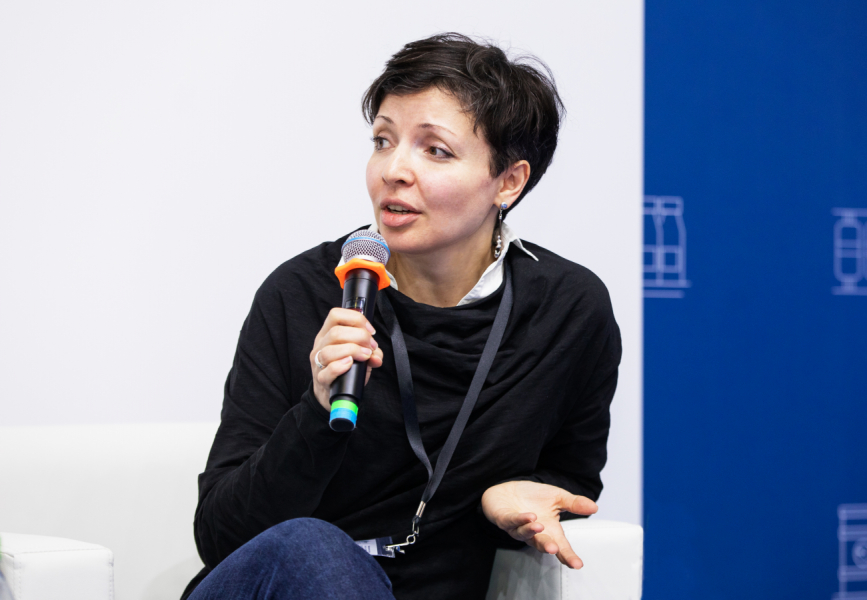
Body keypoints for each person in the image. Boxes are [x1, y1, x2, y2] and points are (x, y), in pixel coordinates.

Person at [184, 33, 621, 600]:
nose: (393, 169)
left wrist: (512, 494)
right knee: (313, 548)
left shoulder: (567, 310)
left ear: (509, 181)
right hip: (278, 584)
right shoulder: (305, 292)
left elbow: (572, 480)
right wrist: (317, 411)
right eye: (383, 141)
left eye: (434, 150)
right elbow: (221, 536)